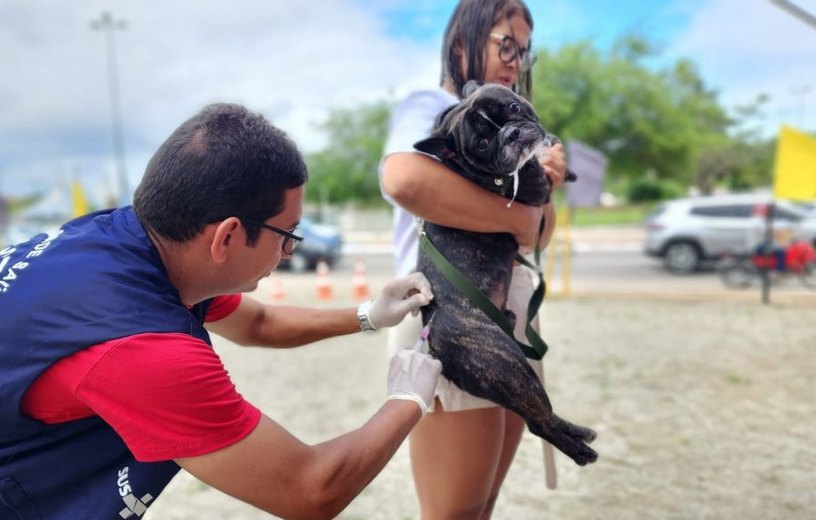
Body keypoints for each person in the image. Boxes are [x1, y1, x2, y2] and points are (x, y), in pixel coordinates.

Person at [0, 103, 443, 519]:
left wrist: (368, 314)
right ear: (226, 237)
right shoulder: (140, 349)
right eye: (286, 233)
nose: (289, 251)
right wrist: (406, 400)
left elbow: (258, 322)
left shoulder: (126, 239)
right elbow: (310, 489)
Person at [379, 1, 570, 517]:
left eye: (523, 51)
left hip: (505, 317)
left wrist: (543, 189)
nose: (515, 60)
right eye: (504, 44)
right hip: (449, 319)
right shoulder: (432, 102)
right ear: (463, 42)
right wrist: (516, 219)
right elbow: (403, 178)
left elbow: (536, 237)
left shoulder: (508, 132)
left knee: (480, 506)